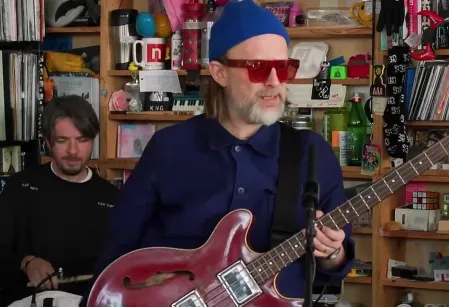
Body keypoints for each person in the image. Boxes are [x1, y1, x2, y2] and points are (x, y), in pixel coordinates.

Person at [89, 0, 355, 303]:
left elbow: (333, 268)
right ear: (219, 73)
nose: (273, 82)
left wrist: (333, 251)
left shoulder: (311, 154)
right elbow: (118, 249)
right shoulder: (169, 148)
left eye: (283, 68)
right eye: (257, 69)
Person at [0, 95, 120, 306]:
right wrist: (26, 262)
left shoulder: (111, 198)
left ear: (93, 140)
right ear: (47, 142)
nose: (73, 151)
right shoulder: (20, 187)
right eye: (62, 141)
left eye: (82, 140)